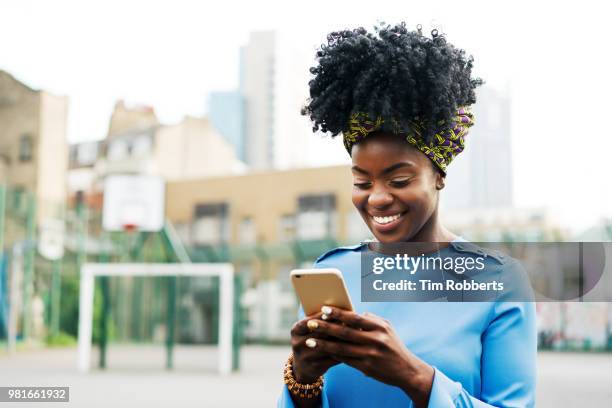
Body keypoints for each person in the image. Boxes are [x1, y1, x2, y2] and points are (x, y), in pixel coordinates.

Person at [277, 23, 536, 407]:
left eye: (398, 179)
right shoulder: (334, 273)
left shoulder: (498, 282)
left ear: (439, 176)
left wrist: (414, 376)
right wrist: (302, 379)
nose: (377, 198)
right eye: (362, 183)